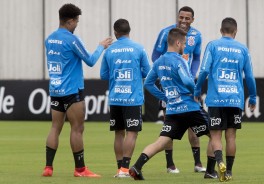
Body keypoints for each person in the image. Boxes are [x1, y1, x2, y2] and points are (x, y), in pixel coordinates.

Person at [129, 28, 216, 180]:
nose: (184, 47)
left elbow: (148, 84)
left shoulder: (159, 62)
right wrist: (195, 92)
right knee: (215, 134)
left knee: (161, 141)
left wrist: (165, 96)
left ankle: (137, 166)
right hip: (190, 108)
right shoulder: (179, 60)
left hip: (173, 110)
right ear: (177, 42)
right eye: (183, 43)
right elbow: (188, 81)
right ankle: (210, 171)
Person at [42, 3, 113, 177]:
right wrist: (101, 47)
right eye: (76, 21)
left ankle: (48, 168)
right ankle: (80, 169)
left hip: (56, 89)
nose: (77, 25)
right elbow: (90, 60)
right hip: (72, 91)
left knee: (55, 128)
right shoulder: (72, 40)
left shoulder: (49, 39)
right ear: (70, 21)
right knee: (77, 129)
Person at [194, 17, 257, 182]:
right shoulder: (243, 49)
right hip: (235, 99)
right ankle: (228, 171)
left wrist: (197, 89)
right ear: (235, 31)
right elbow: (249, 76)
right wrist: (252, 96)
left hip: (216, 99)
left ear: (221, 30)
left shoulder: (213, 45)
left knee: (215, 137)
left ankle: (219, 162)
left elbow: (204, 70)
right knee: (231, 137)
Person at [151, 6, 205, 173]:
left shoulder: (196, 35)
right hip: (171, 84)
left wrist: (192, 74)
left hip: (187, 83)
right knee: (170, 123)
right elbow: (155, 55)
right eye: (181, 17)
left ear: (192, 20)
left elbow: (196, 57)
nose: (183, 21)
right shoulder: (166, 32)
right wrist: (163, 71)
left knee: (194, 124)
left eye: (187, 18)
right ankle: (170, 164)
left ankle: (197, 163)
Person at [100, 18, 151, 178]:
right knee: (132, 133)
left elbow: (104, 75)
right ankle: (124, 168)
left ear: (115, 33)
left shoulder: (109, 50)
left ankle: (119, 169)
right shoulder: (139, 48)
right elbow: (147, 72)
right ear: (129, 31)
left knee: (118, 133)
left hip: (115, 98)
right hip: (133, 98)